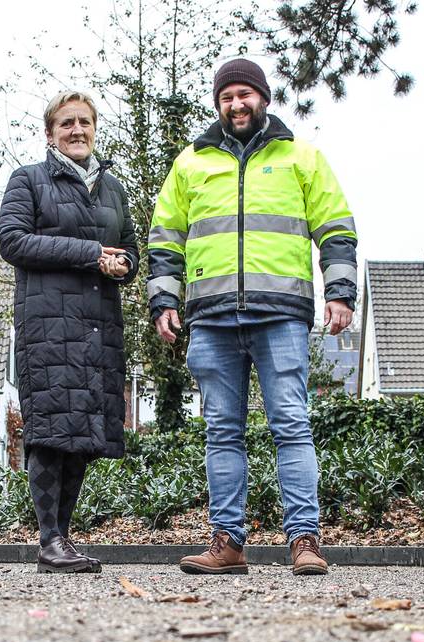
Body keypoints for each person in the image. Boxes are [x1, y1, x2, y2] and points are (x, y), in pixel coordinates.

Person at [148, 58, 357, 576]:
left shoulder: (301, 157)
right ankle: (228, 543)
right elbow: (165, 239)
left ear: (262, 97)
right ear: (217, 104)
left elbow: (335, 229)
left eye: (244, 94)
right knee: (221, 431)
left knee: (291, 424)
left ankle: (304, 541)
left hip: (281, 314)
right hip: (212, 317)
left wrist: (340, 292)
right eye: (226, 97)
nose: (236, 104)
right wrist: (163, 300)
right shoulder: (191, 164)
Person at [0, 90, 139, 573]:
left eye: (84, 122)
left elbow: (130, 246)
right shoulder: (29, 181)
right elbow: (12, 241)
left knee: (84, 436)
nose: (76, 130)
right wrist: (89, 254)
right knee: (50, 434)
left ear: (95, 128)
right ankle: (48, 539)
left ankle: (63, 540)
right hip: (48, 328)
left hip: (98, 329)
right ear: (50, 133)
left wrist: (126, 264)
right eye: (66, 123)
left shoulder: (114, 188)